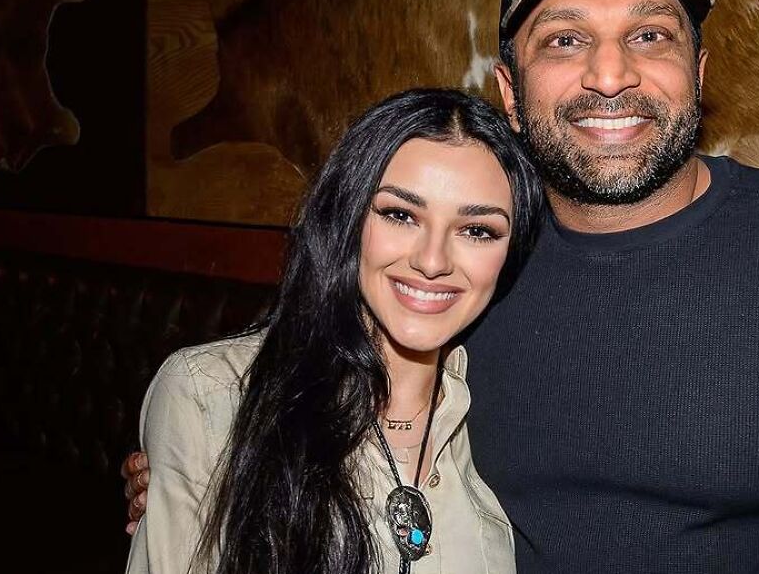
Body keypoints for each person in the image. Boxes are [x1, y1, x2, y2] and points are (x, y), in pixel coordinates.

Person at [126, 0, 759, 571]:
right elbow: (312, 389)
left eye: (649, 35)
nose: (610, 74)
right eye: (565, 39)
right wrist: (199, 477)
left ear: (698, 74)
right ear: (510, 90)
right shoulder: (470, 269)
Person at [124, 88, 544, 574]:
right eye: (400, 215)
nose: (432, 261)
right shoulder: (213, 394)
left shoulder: (505, 407)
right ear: (348, 216)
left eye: (477, 230)